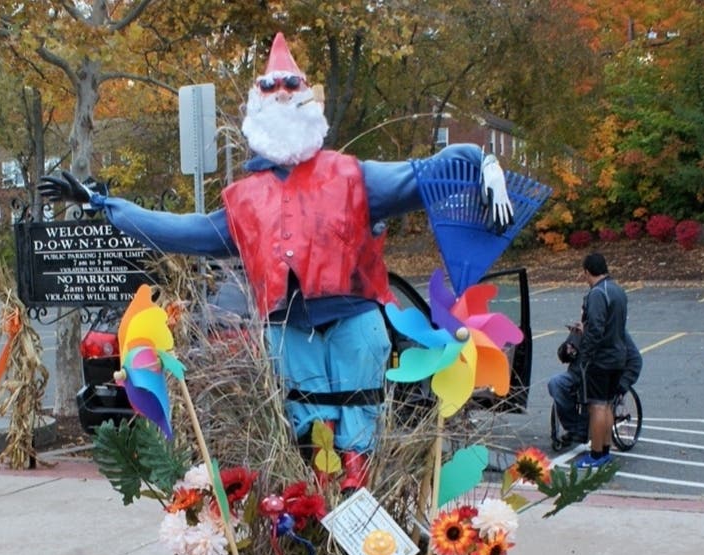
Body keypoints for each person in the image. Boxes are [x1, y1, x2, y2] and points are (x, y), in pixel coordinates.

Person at [39, 32, 513, 493]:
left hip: (356, 317)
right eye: (271, 87)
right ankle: (322, 512)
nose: (282, 94)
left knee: (361, 417)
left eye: (292, 86)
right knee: (311, 427)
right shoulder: (243, 201)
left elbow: (424, 175)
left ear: (309, 100)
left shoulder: (353, 177)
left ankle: (363, 505)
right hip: (287, 327)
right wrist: (109, 206)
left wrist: (479, 162)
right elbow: (189, 231)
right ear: (257, 106)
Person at [572, 252, 628, 469]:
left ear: (587, 271)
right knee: (607, 405)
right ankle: (604, 451)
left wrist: (585, 356)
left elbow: (596, 327)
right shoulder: (618, 290)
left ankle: (595, 454)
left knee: (596, 406)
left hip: (601, 358)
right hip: (618, 355)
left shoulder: (597, 293)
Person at [548, 323, 640, 452]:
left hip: (599, 378)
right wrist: (567, 350)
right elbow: (563, 357)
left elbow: (635, 361)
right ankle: (574, 428)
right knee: (556, 383)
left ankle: (588, 435)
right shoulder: (580, 329)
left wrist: (622, 385)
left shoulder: (616, 332)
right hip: (577, 375)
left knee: (591, 393)